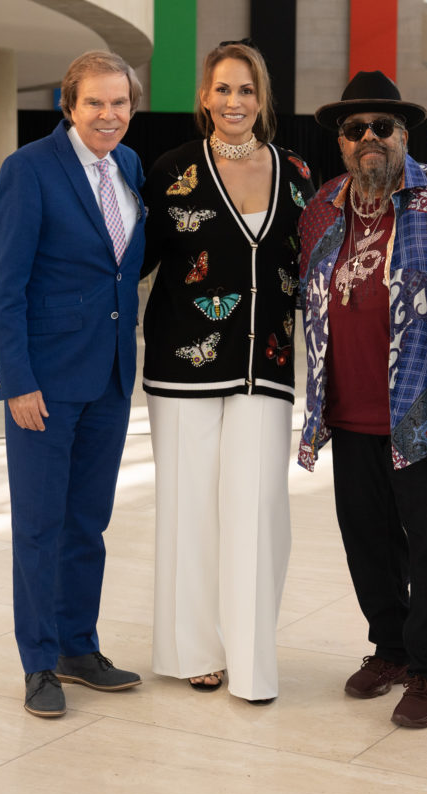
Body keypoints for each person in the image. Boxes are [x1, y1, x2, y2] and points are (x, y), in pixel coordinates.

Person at [298, 71, 427, 728]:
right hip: (348, 410)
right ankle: (391, 647)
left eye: (383, 127)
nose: (369, 138)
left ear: (405, 134)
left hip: (425, 408)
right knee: (367, 540)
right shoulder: (321, 206)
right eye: (356, 129)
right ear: (342, 142)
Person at [142, 41, 314, 705]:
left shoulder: (297, 172)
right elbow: (137, 260)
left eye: (246, 90)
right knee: (189, 509)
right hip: (180, 366)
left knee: (258, 511)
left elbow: (316, 263)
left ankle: (251, 657)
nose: (234, 102)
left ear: (262, 99)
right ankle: (194, 651)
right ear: (204, 97)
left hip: (264, 366)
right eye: (223, 90)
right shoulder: (172, 169)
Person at [0, 50, 146, 718]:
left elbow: (121, 271)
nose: (109, 115)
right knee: (40, 524)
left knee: (88, 521)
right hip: (45, 383)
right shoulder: (28, 170)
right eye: (96, 103)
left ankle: (78, 646)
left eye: (120, 103)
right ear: (69, 104)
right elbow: (8, 285)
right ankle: (38, 662)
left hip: (109, 374)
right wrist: (18, 379)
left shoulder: (130, 167)